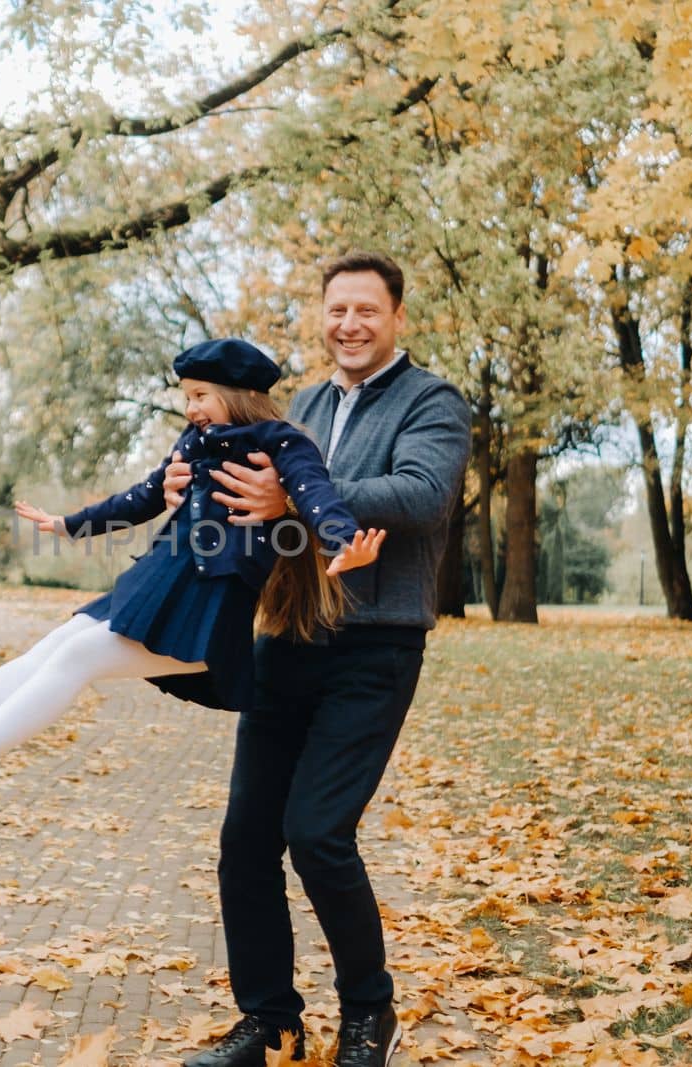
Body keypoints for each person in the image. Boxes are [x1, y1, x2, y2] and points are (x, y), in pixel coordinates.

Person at [0, 337, 385, 810]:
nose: (190, 407)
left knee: (76, 657)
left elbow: (317, 495)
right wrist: (69, 524)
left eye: (201, 394)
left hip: (204, 611)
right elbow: (141, 497)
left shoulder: (279, 443)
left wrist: (343, 542)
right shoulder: (192, 444)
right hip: (157, 586)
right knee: (59, 642)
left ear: (239, 392)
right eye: (187, 396)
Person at [170, 254, 471, 1067]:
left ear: (397, 316)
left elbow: (422, 493)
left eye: (367, 310)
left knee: (318, 834)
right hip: (289, 635)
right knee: (245, 840)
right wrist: (185, 485)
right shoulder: (302, 402)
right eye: (337, 309)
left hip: (376, 643)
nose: (350, 324)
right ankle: (271, 1021)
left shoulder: (433, 401)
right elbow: (260, 505)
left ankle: (371, 1011)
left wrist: (300, 491)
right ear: (323, 315)